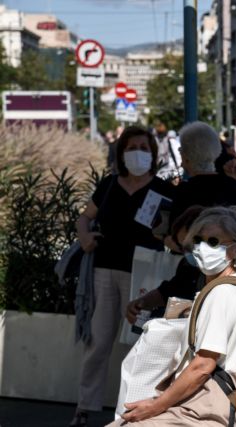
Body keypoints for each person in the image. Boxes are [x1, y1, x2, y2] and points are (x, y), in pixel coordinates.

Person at [109, 206, 236, 426]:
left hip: (206, 407)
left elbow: (202, 366)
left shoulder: (222, 293)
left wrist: (155, 406)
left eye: (213, 241)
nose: (203, 248)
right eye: (198, 240)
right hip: (211, 403)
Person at [70, 126, 175, 427]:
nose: (138, 152)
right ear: (121, 152)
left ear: (153, 153)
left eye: (144, 147)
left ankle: (131, 412)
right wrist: (84, 237)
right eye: (131, 147)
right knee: (99, 341)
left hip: (144, 276)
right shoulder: (108, 185)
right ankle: (84, 407)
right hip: (104, 269)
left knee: (139, 344)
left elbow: (176, 231)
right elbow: (85, 216)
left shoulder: (165, 190)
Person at [168, 122, 236, 248]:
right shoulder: (232, 184)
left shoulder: (184, 191)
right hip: (230, 261)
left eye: (181, 150)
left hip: (194, 264)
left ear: (187, 157)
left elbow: (176, 236)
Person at [125, 205, 205, 324]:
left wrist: (175, 313)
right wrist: (142, 303)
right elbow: (168, 290)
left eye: (191, 246)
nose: (188, 253)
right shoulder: (188, 266)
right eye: (183, 248)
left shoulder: (228, 272)